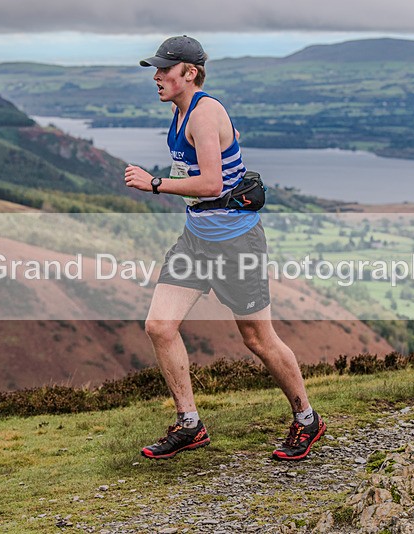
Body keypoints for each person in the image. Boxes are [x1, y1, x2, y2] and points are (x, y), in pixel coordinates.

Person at [124, 35, 324, 461]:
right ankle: (190, 424)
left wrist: (155, 182)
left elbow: (212, 184)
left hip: (235, 244)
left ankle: (307, 419)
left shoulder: (203, 111)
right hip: (196, 239)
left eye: (165, 69)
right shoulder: (185, 114)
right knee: (160, 326)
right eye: (156, 69)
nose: (157, 77)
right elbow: (219, 150)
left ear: (189, 73)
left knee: (257, 338)